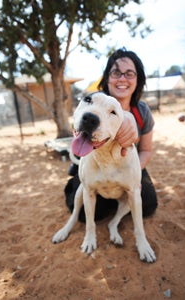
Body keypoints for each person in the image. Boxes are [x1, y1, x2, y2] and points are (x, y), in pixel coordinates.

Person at [65, 47, 158, 222]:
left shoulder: (143, 111)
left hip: (128, 167)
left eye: (130, 74)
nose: (122, 78)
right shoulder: (93, 100)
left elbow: (145, 150)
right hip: (94, 164)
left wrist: (133, 175)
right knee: (89, 214)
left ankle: (117, 200)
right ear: (107, 78)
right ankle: (75, 183)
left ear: (138, 80)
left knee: (148, 204)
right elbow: (77, 122)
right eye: (116, 73)